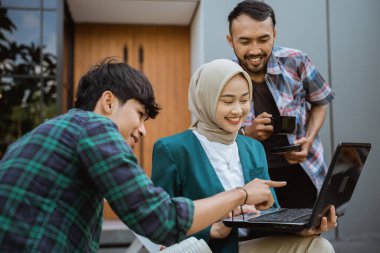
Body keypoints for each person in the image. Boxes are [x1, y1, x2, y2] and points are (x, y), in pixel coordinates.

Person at [0, 59, 285, 252]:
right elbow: (160, 220)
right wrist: (241, 195)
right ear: (108, 102)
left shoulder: (40, 136)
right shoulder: (95, 127)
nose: (142, 131)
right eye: (139, 115)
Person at [151, 59, 336, 253]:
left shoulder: (253, 147)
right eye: (228, 101)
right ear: (205, 98)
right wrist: (212, 229)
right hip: (208, 248)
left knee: (319, 246)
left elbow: (272, 210)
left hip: (249, 245)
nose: (238, 110)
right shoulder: (172, 149)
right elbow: (159, 223)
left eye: (245, 99)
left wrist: (299, 229)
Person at [227, 0, 335, 208]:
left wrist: (308, 139)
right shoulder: (222, 76)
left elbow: (321, 102)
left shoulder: (297, 61)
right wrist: (246, 133)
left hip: (303, 171)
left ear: (274, 35)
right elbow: (214, 133)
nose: (255, 50)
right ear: (230, 41)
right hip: (252, 177)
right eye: (245, 41)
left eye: (263, 39)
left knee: (308, 236)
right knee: (262, 239)